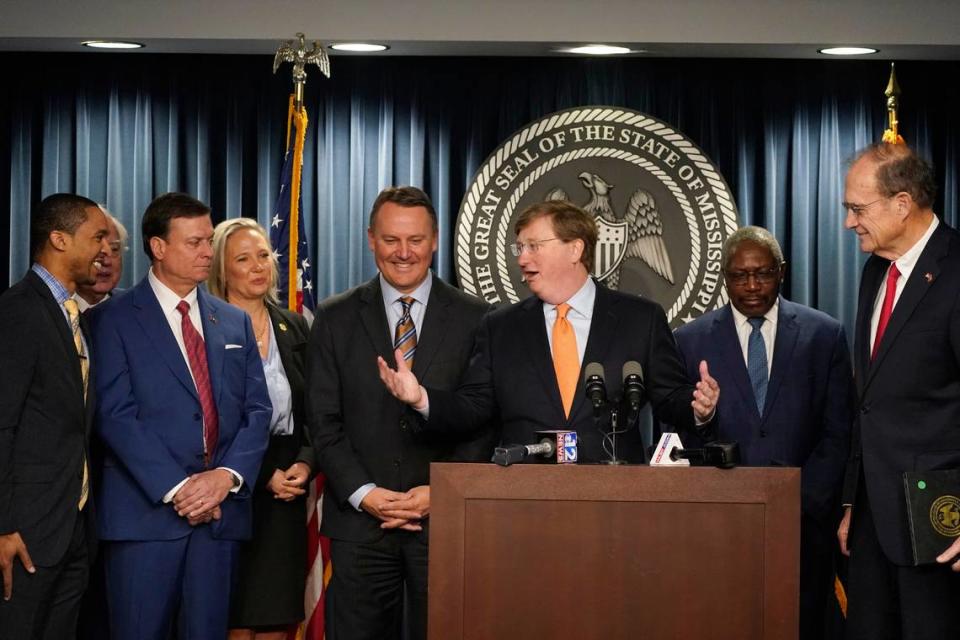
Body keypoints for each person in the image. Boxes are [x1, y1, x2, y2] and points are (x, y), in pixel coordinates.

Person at [378, 199, 719, 464]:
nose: (522, 259)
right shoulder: (500, 327)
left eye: (533, 246)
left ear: (575, 249)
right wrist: (421, 398)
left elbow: (669, 398)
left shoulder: (640, 319)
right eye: (519, 249)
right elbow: (474, 408)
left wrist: (700, 408)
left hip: (614, 499)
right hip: (525, 503)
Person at [307, 186, 494, 640]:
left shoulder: (479, 318)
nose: (404, 253)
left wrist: (442, 491)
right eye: (391, 240)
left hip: (448, 522)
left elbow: (487, 419)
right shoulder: (335, 317)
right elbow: (323, 422)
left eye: (416, 240)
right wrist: (364, 492)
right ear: (371, 239)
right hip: (360, 526)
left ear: (434, 241)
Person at [88, 192, 271, 640]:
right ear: (158, 247)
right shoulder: (110, 320)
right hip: (144, 523)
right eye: (194, 242)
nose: (208, 252)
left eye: (209, 240)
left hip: (219, 521)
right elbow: (115, 414)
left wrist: (224, 477)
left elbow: (258, 409)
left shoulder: (232, 321)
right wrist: (180, 489)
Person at [670, 225, 853, 640]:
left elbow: (839, 430)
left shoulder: (824, 335)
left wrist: (800, 501)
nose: (751, 285)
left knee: (801, 622)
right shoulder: (689, 340)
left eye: (763, 273)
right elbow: (675, 435)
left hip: (805, 523)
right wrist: (700, 416)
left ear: (781, 272)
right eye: (739, 275)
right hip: (720, 520)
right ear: (724, 277)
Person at [837, 143, 960, 639]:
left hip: (939, 523)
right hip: (872, 522)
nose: (850, 223)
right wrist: (851, 503)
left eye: (858, 209)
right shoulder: (876, 271)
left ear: (903, 203)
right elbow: (868, 401)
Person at [0, 193, 110, 639]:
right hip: (25, 535)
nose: (105, 248)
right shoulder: (19, 310)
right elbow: (2, 424)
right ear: (59, 239)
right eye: (96, 236)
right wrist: (4, 526)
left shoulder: (73, 315)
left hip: (72, 531)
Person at [207, 218, 314, 640]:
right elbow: (209, 417)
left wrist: (305, 463)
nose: (258, 266)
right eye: (243, 259)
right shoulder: (207, 328)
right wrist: (260, 471)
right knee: (238, 616)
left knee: (277, 613)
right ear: (221, 268)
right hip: (234, 486)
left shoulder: (295, 325)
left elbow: (318, 409)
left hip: (288, 488)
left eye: (264, 256)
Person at [75, 207, 128, 311]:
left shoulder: (135, 307)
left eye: (114, 249)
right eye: (97, 250)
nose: (106, 262)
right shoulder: (49, 306)